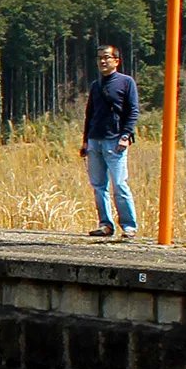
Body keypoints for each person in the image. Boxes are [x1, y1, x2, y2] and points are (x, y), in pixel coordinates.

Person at [78, 43, 140, 239]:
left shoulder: (126, 82)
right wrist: (86, 141)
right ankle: (105, 224)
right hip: (95, 140)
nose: (103, 61)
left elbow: (133, 111)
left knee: (120, 184)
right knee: (98, 185)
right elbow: (90, 114)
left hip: (115, 140)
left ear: (116, 61)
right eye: (99, 58)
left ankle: (129, 226)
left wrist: (125, 135)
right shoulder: (96, 86)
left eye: (107, 57)